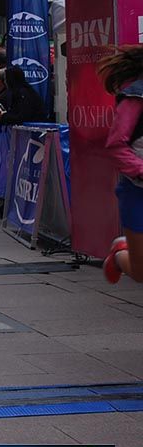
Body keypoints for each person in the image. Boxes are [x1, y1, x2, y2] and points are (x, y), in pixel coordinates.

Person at [100, 45, 143, 284]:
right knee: (140, 272)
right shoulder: (136, 97)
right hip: (137, 191)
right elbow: (116, 145)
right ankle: (119, 255)